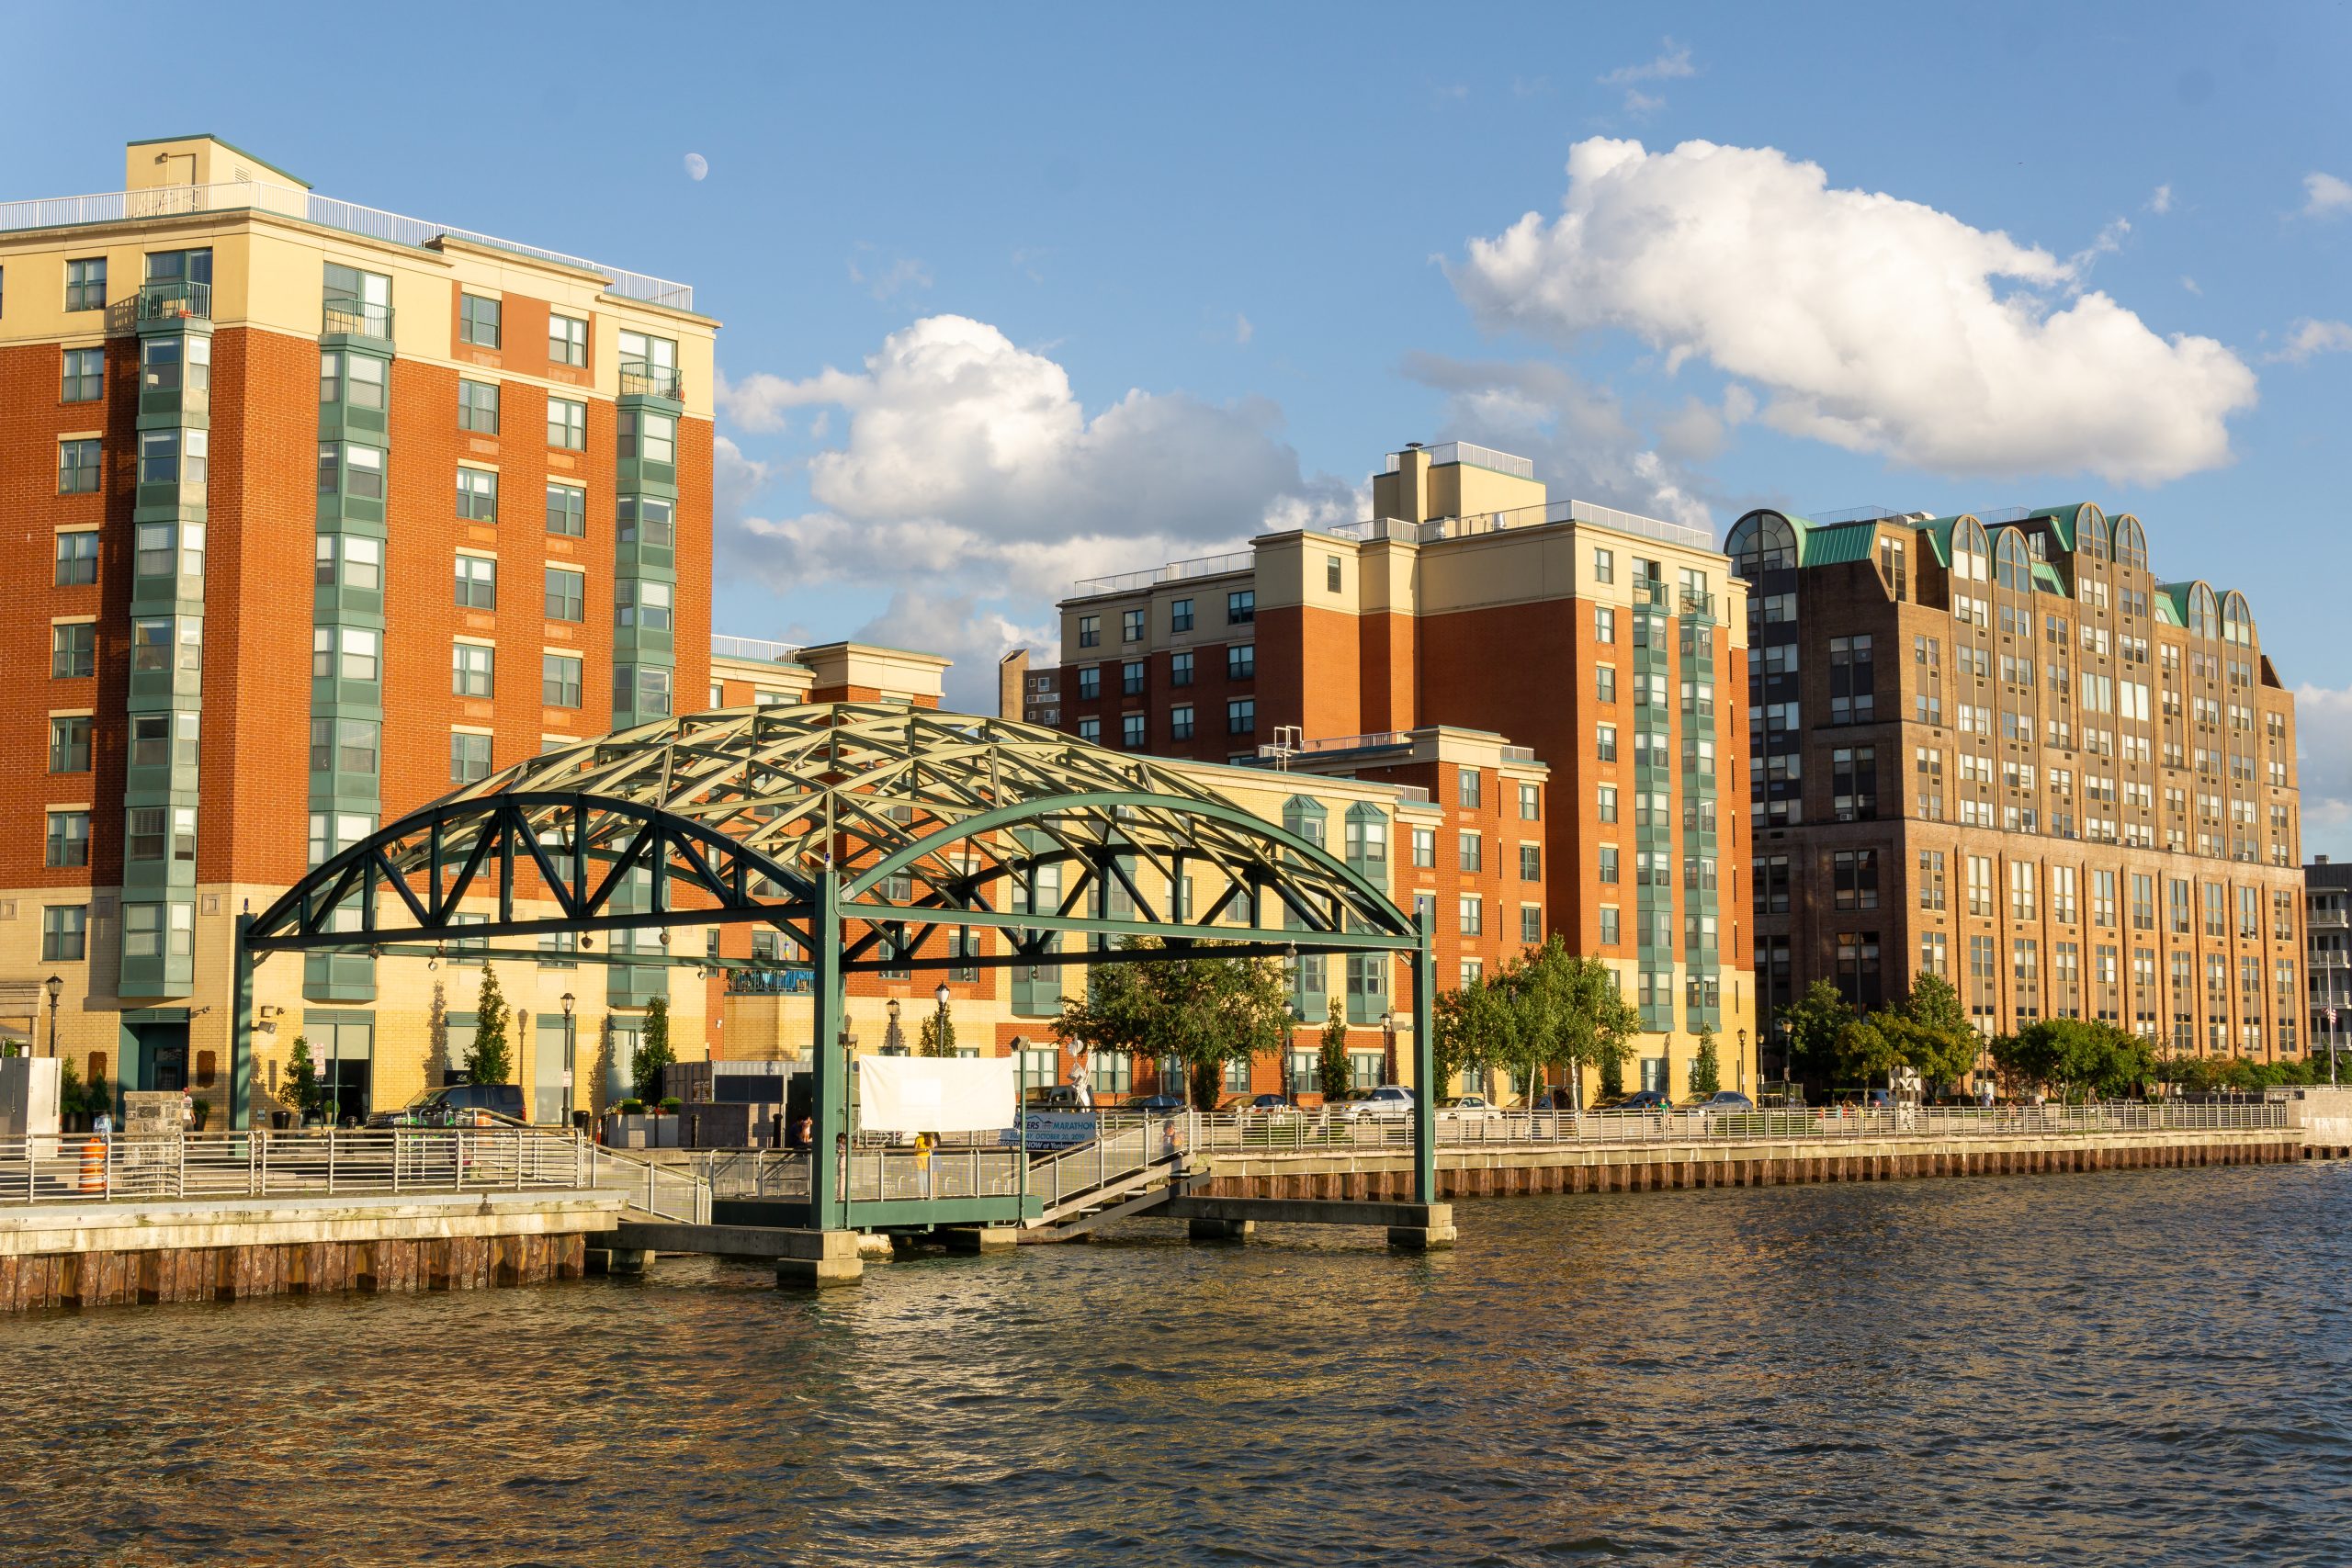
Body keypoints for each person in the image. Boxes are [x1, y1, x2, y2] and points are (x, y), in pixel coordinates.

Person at [912, 1131, 934, 1199]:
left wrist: (914, 1156)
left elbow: (915, 1149)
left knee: (920, 1176)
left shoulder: (918, 1138)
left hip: (919, 1158)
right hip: (927, 1158)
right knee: (925, 1176)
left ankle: (921, 1193)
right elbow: (932, 1148)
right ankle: (927, 1192)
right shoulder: (930, 1138)